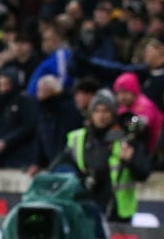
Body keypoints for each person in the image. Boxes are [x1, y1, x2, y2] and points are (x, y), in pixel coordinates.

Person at [49, 89, 153, 224]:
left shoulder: (126, 139)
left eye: (106, 111)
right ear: (90, 114)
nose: (101, 116)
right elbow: (58, 166)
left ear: (113, 113)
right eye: (96, 111)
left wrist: (131, 160)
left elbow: (143, 173)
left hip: (117, 214)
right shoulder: (78, 138)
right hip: (84, 208)